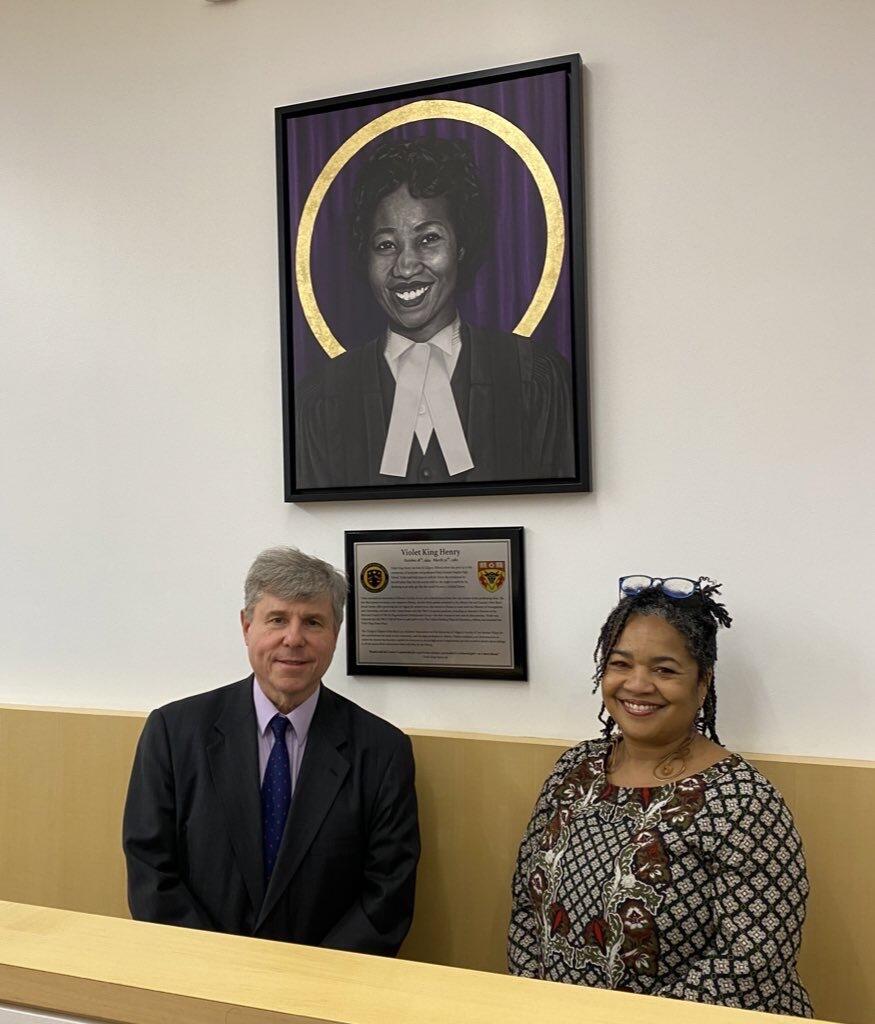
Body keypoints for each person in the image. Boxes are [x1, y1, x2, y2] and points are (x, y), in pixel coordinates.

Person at [508, 576, 813, 1017]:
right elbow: (525, 909)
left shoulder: (744, 800)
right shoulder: (574, 770)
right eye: (620, 664)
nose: (637, 684)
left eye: (664, 670)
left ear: (702, 683)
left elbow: (753, 964)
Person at [123, 546, 420, 955]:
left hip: (326, 991)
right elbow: (151, 870)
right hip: (196, 978)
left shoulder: (383, 751)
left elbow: (387, 895)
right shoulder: (174, 733)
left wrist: (309, 982)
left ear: (335, 634)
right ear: (247, 627)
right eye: (277, 619)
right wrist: (216, 969)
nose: (293, 638)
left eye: (313, 622)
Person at [295, 136, 575, 489]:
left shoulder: (535, 378)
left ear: (461, 246)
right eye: (385, 245)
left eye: (428, 238)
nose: (406, 266)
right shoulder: (323, 396)